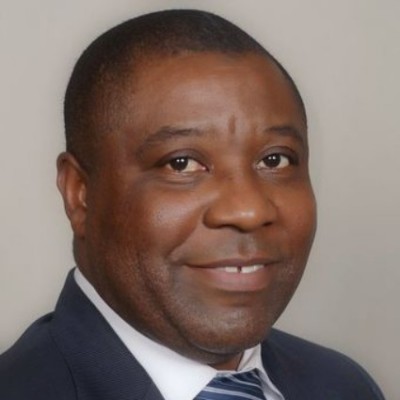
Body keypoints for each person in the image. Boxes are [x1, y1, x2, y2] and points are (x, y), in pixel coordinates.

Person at [0, 9, 385, 400]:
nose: (249, 211)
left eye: (275, 160)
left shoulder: (344, 386)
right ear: (79, 193)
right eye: (181, 164)